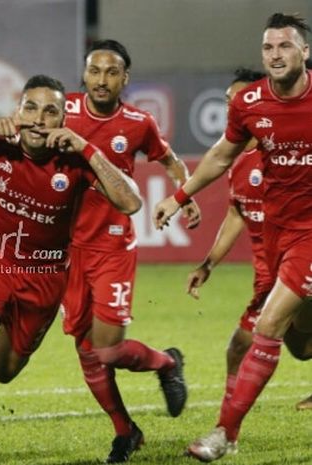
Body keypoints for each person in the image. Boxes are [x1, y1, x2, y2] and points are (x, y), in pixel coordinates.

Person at [0, 74, 143, 465]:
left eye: (50, 110)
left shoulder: (75, 159)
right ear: (18, 111)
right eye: (30, 107)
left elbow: (131, 203)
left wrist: (88, 148)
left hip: (45, 275)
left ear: (62, 119)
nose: (38, 118)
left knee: (3, 372)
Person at [152, 13, 312, 462]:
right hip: (278, 237)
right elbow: (223, 154)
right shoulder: (251, 103)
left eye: (285, 46)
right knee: (301, 343)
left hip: (310, 236)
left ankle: (225, 433)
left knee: (267, 328)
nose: (275, 55)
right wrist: (179, 195)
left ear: (305, 52)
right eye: (268, 48)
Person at [61, 39, 197, 463]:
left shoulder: (138, 122)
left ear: (125, 79)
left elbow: (171, 159)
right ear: (84, 75)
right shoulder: (61, 111)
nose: (102, 80)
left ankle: (166, 364)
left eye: (112, 72)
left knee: (108, 348)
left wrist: (185, 192)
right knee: (86, 349)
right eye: (95, 71)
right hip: (65, 250)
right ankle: (126, 431)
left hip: (112, 246)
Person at [185, 68, 273, 444]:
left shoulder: (284, 152)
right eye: (227, 102)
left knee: (250, 342)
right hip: (266, 275)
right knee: (297, 345)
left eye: (238, 100)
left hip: (295, 267)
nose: (231, 107)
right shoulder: (235, 158)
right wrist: (208, 264)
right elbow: (237, 214)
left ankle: (227, 432)